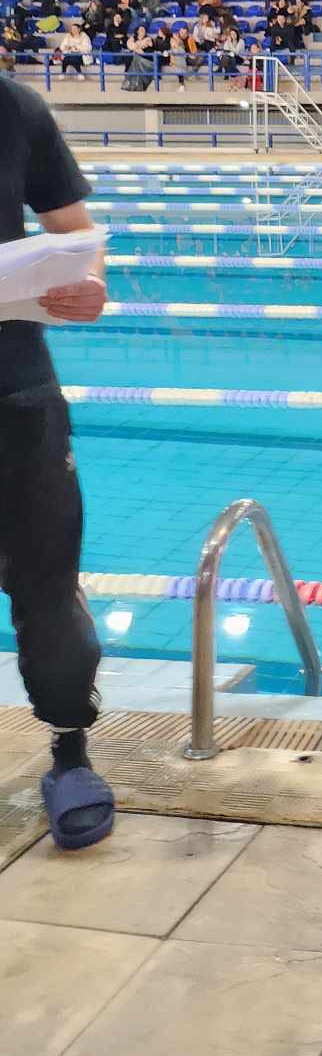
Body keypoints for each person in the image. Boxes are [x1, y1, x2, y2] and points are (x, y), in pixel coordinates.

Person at [0, 76, 114, 847]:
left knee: (48, 582)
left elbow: (74, 228)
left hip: (18, 391)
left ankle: (70, 750)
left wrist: (90, 284)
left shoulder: (14, 109)